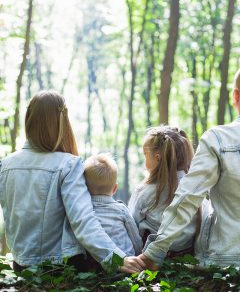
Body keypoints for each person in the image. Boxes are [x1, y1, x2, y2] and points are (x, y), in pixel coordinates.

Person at [138, 63, 240, 269]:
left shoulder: (218, 138)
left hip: (227, 261)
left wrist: (155, 252)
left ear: (235, 95)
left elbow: (188, 197)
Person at [0, 91, 145, 273]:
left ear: (29, 119)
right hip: (60, 267)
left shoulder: (5, 165)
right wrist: (116, 259)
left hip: (21, 266)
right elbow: (83, 221)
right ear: (62, 122)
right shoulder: (68, 164)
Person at [128, 125, 199, 256]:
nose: (144, 161)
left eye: (145, 155)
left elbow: (132, 226)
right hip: (187, 256)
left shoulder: (144, 191)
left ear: (157, 158)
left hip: (152, 259)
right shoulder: (194, 188)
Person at [84, 153, 142, 256]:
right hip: (125, 261)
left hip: (95, 264)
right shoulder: (121, 210)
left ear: (85, 188)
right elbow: (135, 238)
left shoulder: (83, 211)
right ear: (115, 188)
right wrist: (138, 255)